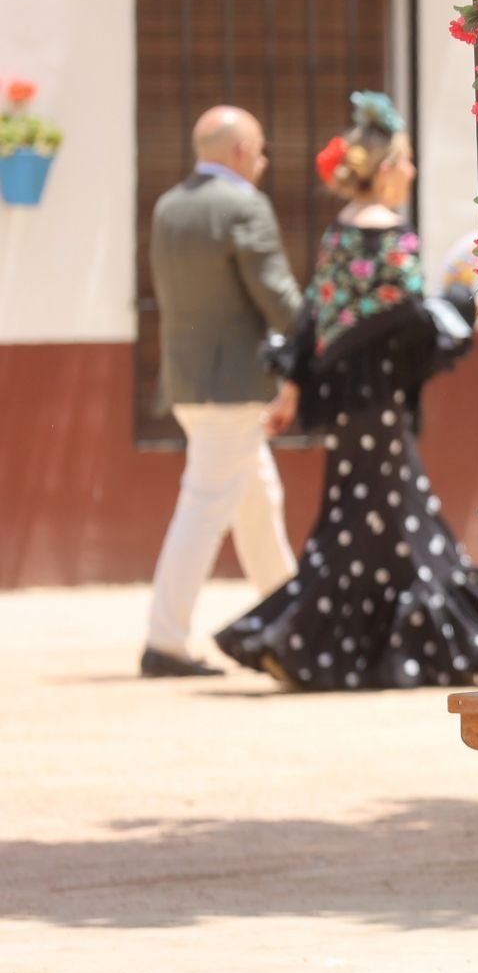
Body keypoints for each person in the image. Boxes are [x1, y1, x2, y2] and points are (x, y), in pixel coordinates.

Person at [213, 92, 478, 690]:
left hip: (347, 407)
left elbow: (314, 317)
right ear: (385, 170)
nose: (411, 170)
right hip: (381, 405)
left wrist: (291, 390)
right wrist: (459, 306)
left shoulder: (338, 233)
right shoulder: (394, 235)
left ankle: (315, 645)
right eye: (404, 160)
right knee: (390, 520)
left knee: (363, 519)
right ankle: (332, 645)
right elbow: (408, 325)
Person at [141, 105, 302, 678]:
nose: (263, 162)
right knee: (205, 507)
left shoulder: (169, 205)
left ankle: (291, 627)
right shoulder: (243, 204)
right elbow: (276, 294)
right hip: (234, 387)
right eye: (260, 150)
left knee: (258, 502)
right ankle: (164, 641)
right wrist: (313, 342)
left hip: (187, 383)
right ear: (240, 152)